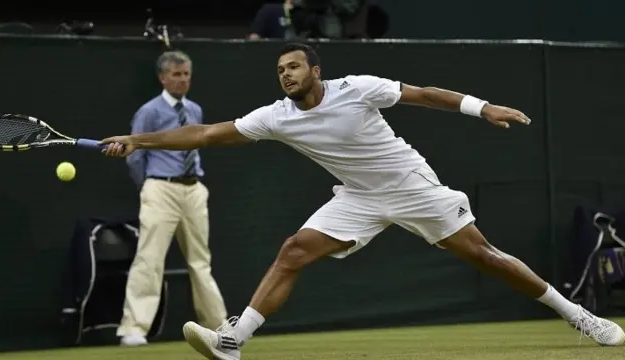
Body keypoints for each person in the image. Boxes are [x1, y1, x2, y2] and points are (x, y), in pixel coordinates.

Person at [102, 43, 625, 357]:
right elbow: (209, 134)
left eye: (294, 67)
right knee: (293, 250)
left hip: (412, 186)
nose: (285, 74)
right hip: (358, 198)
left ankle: (578, 315)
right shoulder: (276, 117)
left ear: (315, 71)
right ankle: (234, 341)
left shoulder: (359, 88)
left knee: (486, 258)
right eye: (280, 69)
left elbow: (423, 94)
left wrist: (482, 106)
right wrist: (138, 140)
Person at [117, 50, 228, 346]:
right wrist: (150, 186)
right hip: (160, 188)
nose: (182, 80)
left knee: (200, 261)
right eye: (176, 75)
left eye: (186, 74)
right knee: (149, 258)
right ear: (162, 78)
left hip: (194, 189)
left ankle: (219, 329)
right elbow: (134, 155)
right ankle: (134, 328)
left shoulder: (194, 110)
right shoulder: (149, 112)